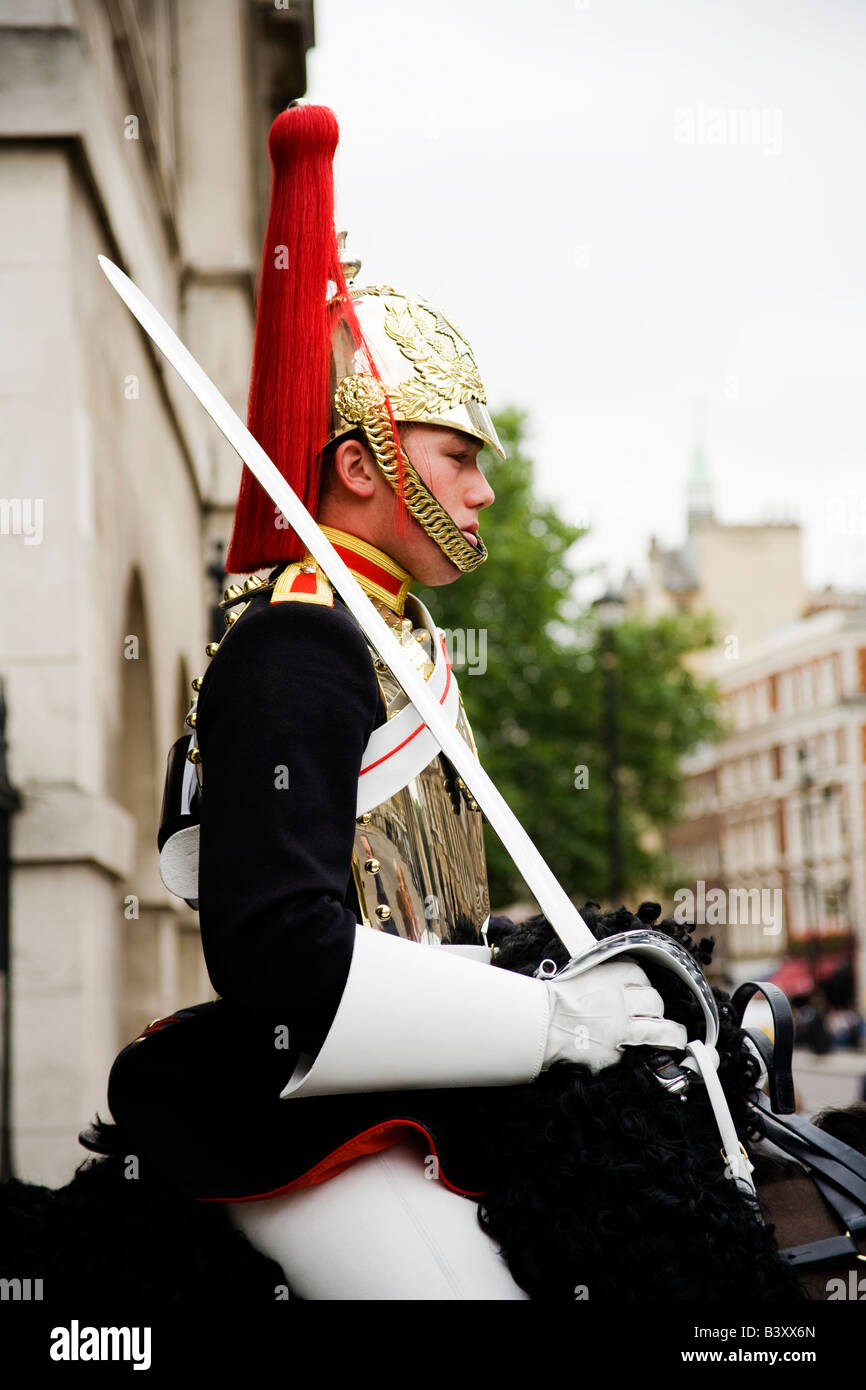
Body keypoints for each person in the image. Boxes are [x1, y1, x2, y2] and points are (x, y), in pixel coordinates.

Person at [106, 102, 687, 1300]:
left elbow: (435, 929)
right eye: (456, 457)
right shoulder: (295, 645)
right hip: (309, 1108)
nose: (483, 490)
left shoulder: (389, 636)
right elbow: (280, 951)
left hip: (428, 1079)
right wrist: (551, 1024)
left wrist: (564, 979)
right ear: (362, 463)